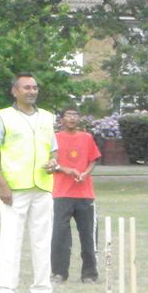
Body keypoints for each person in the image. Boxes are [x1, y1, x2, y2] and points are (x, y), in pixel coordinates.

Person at [0, 73, 67, 293]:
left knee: (42, 242)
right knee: (10, 241)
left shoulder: (47, 117)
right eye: (26, 87)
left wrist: (53, 163)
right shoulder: (3, 117)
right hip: (14, 189)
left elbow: (53, 152)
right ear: (15, 91)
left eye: (35, 87)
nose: (32, 91)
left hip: (42, 188)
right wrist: (2, 185)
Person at [51, 106, 102, 284]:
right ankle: (59, 273)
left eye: (75, 115)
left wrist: (85, 173)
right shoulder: (55, 138)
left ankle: (89, 274)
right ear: (62, 119)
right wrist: (67, 170)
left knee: (88, 235)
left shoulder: (86, 137)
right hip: (61, 193)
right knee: (59, 236)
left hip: (85, 194)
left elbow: (93, 160)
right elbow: (49, 165)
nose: (72, 118)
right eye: (68, 115)